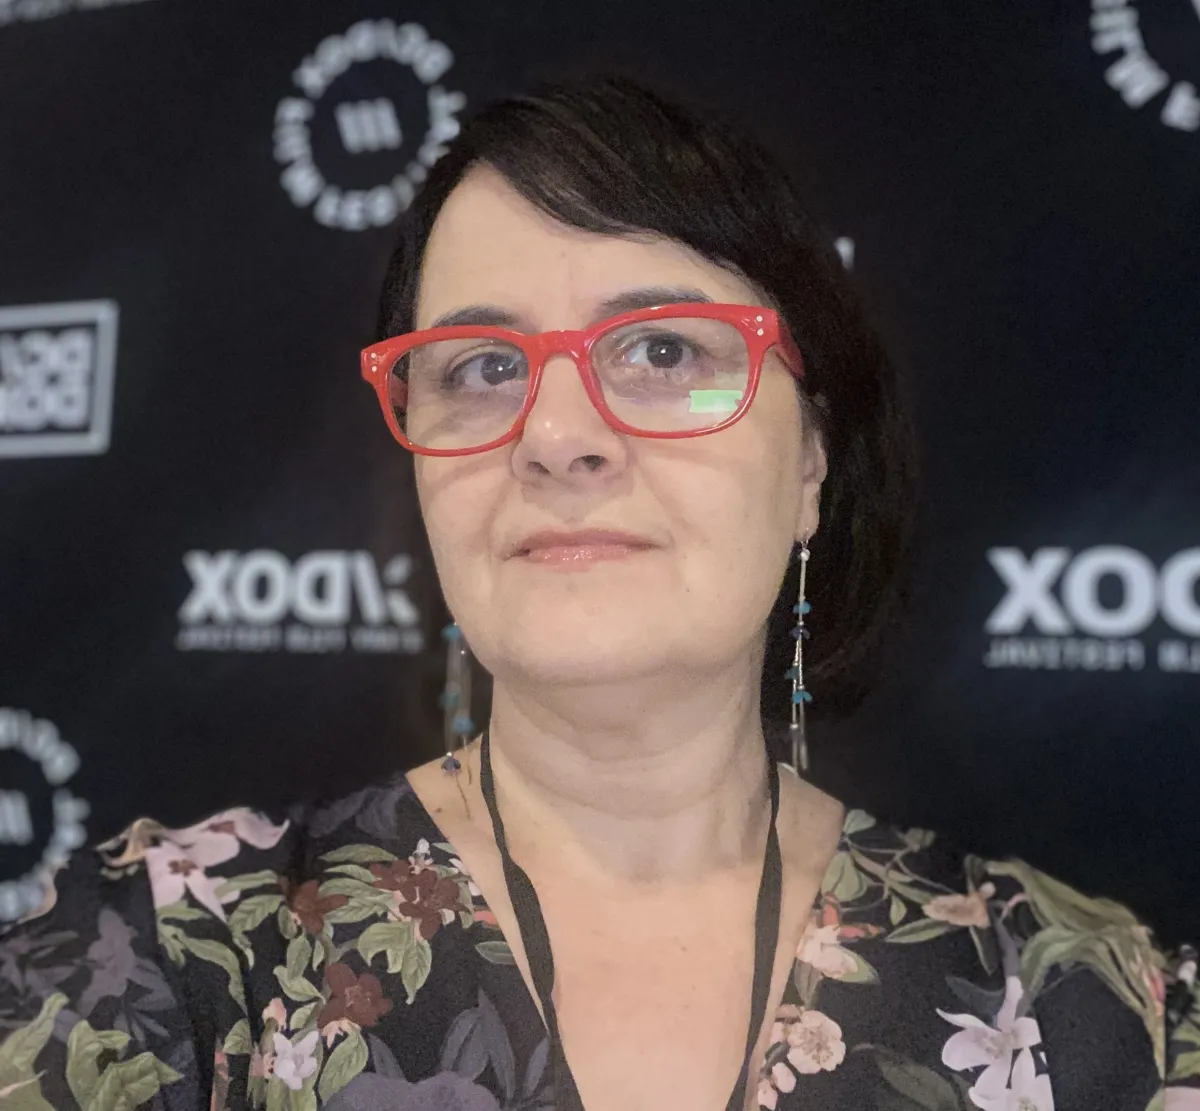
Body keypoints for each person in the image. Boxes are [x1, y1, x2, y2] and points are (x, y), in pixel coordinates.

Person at [0, 77, 1194, 1111]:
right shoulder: (158, 961)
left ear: (812, 467)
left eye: (664, 349)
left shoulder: (1089, 1006)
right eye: (479, 368)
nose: (558, 436)